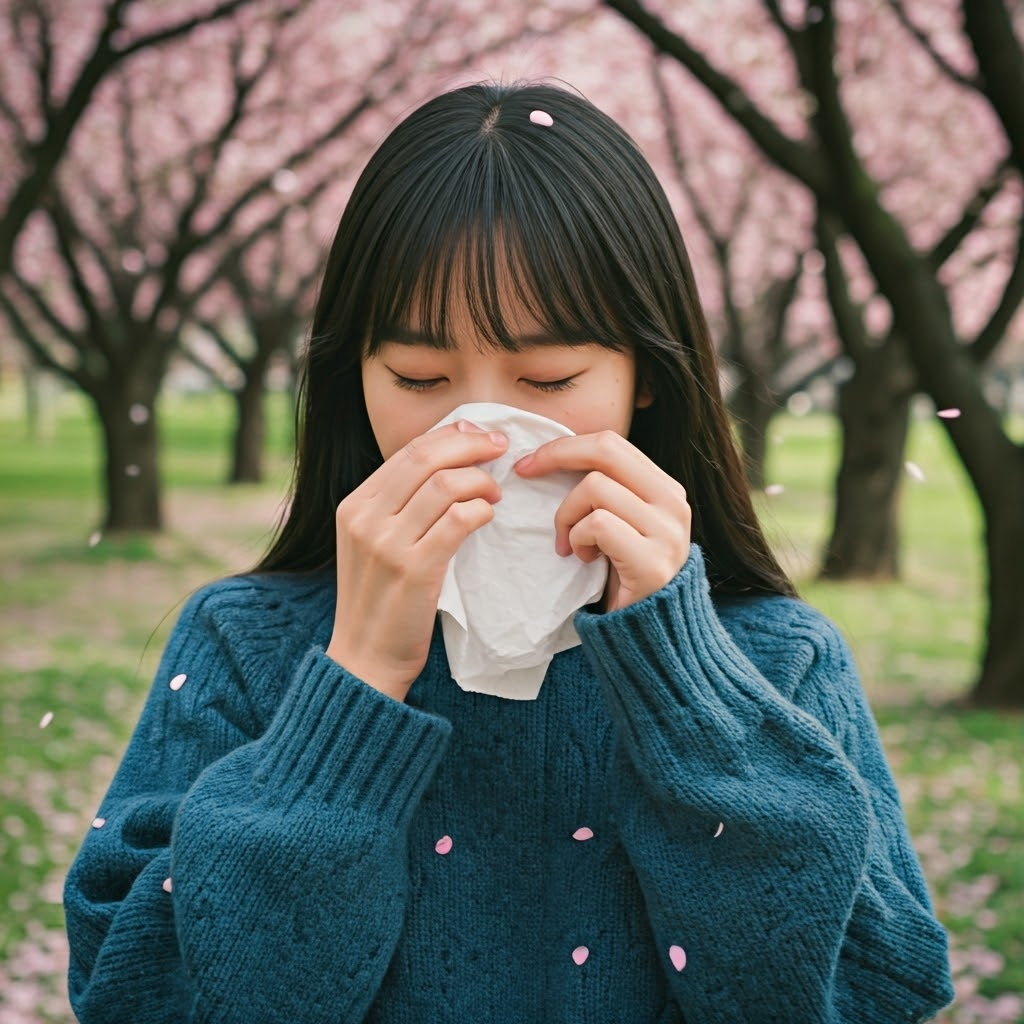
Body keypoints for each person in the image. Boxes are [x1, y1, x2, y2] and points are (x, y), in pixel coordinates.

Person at [63, 81, 955, 1023]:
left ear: (646, 374)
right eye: (417, 376)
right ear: (350, 375)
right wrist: (353, 683)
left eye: (549, 377)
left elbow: (868, 991)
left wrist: (687, 682)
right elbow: (138, 992)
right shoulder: (244, 643)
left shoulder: (775, 657)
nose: (477, 430)